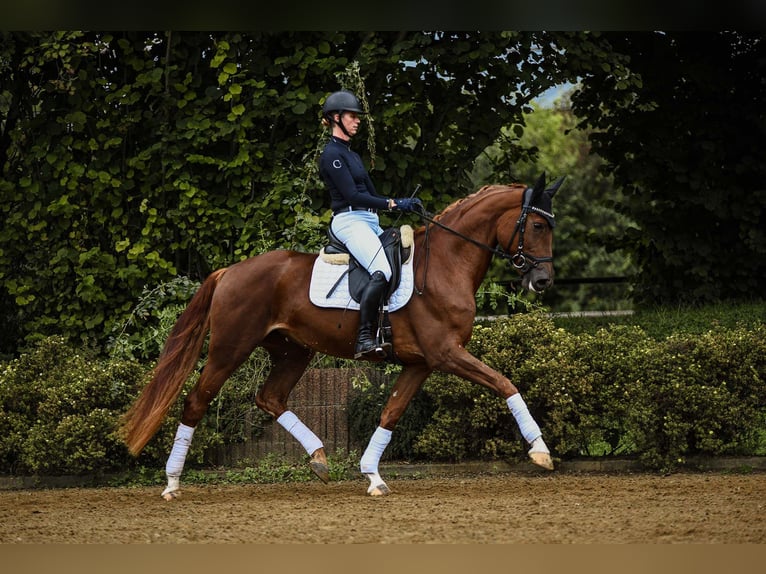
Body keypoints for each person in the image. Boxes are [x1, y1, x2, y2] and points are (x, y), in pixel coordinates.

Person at [318, 90, 421, 359]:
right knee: (380, 270)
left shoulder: (352, 155)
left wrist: (402, 203)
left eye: (357, 117)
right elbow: (352, 195)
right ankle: (364, 338)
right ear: (336, 118)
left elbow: (371, 194)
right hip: (348, 221)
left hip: (368, 220)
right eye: (352, 116)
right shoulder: (331, 155)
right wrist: (393, 204)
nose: (358, 121)